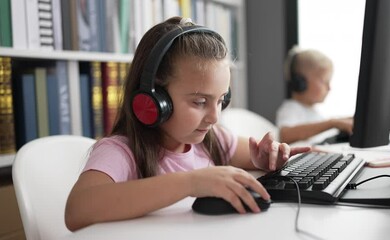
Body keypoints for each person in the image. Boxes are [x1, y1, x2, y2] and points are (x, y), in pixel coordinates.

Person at [65, 17, 310, 231]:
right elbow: (77, 211)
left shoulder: (213, 139)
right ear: (153, 100)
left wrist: (266, 157)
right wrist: (192, 182)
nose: (214, 117)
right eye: (200, 101)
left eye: (221, 100)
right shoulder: (121, 151)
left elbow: (257, 153)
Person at [276, 47, 353, 145]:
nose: (329, 88)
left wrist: (346, 120)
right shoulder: (291, 108)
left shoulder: (314, 112)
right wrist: (332, 123)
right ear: (300, 83)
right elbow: (285, 135)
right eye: (324, 81)